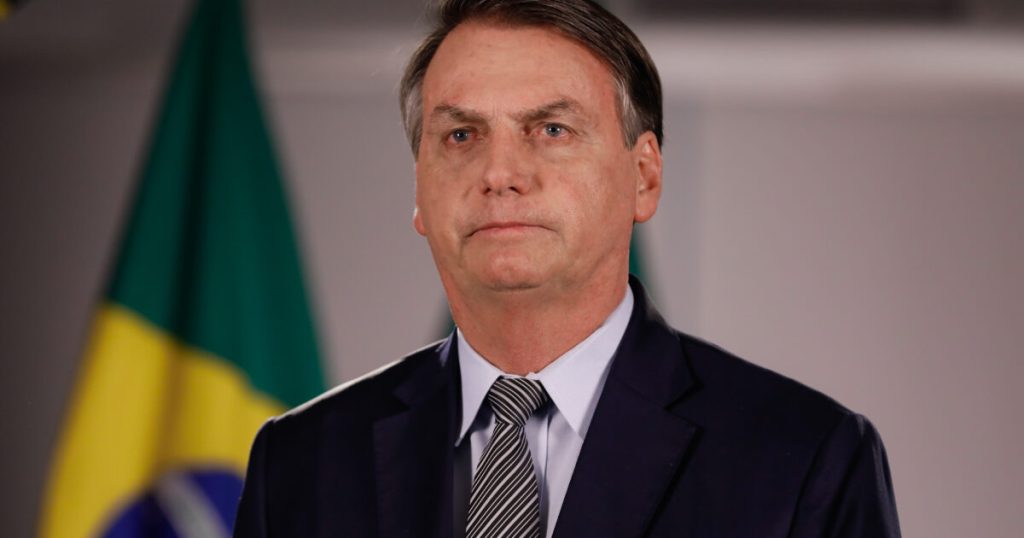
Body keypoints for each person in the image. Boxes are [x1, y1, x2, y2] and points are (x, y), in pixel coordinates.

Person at [233, 0, 901, 536]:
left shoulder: (805, 459)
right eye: (461, 135)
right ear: (419, 192)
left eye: (551, 130)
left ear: (644, 177)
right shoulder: (302, 460)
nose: (500, 173)